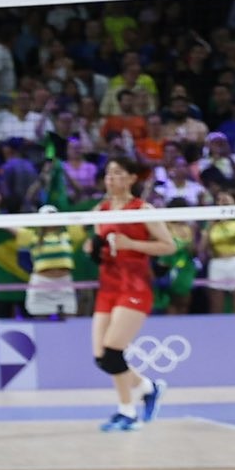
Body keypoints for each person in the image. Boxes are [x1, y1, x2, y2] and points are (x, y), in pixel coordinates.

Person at [88, 157, 175, 431]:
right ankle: (148, 388)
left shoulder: (142, 209)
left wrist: (131, 244)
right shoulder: (99, 212)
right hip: (108, 287)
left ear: (131, 178)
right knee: (102, 357)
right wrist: (94, 251)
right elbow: (102, 253)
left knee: (114, 352)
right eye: (108, 173)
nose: (111, 178)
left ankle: (127, 411)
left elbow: (168, 246)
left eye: (117, 173)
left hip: (135, 286)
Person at [204, 191, 235, 313]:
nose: (222, 202)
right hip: (217, 264)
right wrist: (210, 224)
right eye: (219, 200)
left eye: (226, 199)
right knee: (216, 306)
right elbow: (202, 247)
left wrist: (232, 207)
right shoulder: (213, 225)